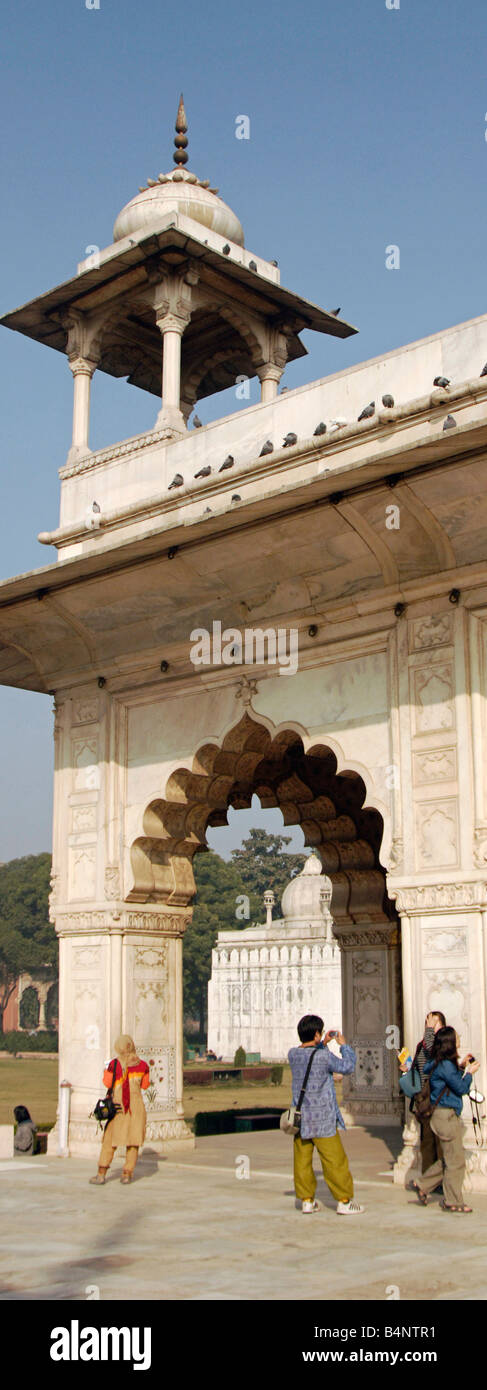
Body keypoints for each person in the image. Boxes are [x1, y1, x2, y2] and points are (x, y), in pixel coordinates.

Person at [288, 1014, 364, 1216]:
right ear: (316, 1033)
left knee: (302, 1161)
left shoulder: (292, 1054)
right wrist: (343, 1045)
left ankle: (306, 1200)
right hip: (322, 1120)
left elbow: (310, 1055)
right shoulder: (323, 1056)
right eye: (319, 1032)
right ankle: (344, 1201)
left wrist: (321, 1043)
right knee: (334, 1161)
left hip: (300, 1119)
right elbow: (346, 1067)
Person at [411, 1025, 480, 1213]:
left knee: (450, 1158)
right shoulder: (446, 1065)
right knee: (456, 1161)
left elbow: (446, 1078)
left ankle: (423, 1183)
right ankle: (454, 1201)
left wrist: (462, 1066)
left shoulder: (438, 1063)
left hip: (440, 1116)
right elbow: (461, 1088)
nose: (459, 1040)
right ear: (451, 1043)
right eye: (456, 1038)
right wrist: (469, 1074)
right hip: (446, 1116)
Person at [89, 1035, 151, 1186]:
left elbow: (107, 1083)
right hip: (135, 1108)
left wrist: (106, 1070)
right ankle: (127, 1174)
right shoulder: (142, 1065)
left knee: (109, 1141)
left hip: (118, 1108)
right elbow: (145, 1085)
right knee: (133, 1142)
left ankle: (101, 1174)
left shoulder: (114, 1065)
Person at [401, 1011, 446, 1177]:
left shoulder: (444, 1042)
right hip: (424, 1097)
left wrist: (430, 1031)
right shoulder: (423, 1044)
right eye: (429, 1022)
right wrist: (408, 1069)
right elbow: (420, 1066)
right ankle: (428, 1181)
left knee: (439, 1143)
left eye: (435, 1023)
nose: (431, 1026)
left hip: (438, 1096)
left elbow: (433, 1051)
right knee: (427, 1142)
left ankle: (438, 1181)